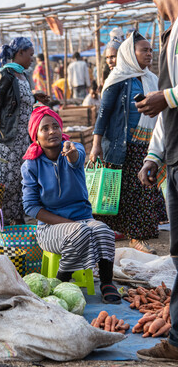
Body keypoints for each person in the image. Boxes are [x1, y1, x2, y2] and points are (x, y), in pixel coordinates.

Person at [21, 106, 120, 303]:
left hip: (83, 220)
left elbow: (76, 160)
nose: (52, 132)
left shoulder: (74, 148)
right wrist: (67, 223)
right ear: (36, 136)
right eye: (45, 129)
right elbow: (31, 207)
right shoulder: (31, 165)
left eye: (55, 126)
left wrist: (71, 153)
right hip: (50, 229)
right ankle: (61, 281)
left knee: (104, 231)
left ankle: (107, 282)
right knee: (79, 233)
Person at [89, 32, 167, 254]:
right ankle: (125, 236)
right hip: (122, 146)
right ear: (130, 54)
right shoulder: (118, 79)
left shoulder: (151, 78)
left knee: (143, 191)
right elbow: (103, 115)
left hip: (147, 145)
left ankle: (137, 236)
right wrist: (96, 145)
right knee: (120, 193)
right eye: (144, 50)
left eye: (151, 50)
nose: (149, 53)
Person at [135, 0, 178, 361]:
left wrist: (170, 97)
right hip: (174, 156)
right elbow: (165, 110)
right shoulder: (170, 34)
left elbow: (168, 100)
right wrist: (153, 155)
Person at [0, 37, 36, 225]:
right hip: (8, 140)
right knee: (5, 182)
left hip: (23, 139)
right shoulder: (5, 75)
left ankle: (18, 220)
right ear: (19, 53)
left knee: (20, 181)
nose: (32, 59)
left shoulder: (23, 76)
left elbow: (18, 102)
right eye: (30, 55)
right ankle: (1, 223)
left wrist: (35, 97)